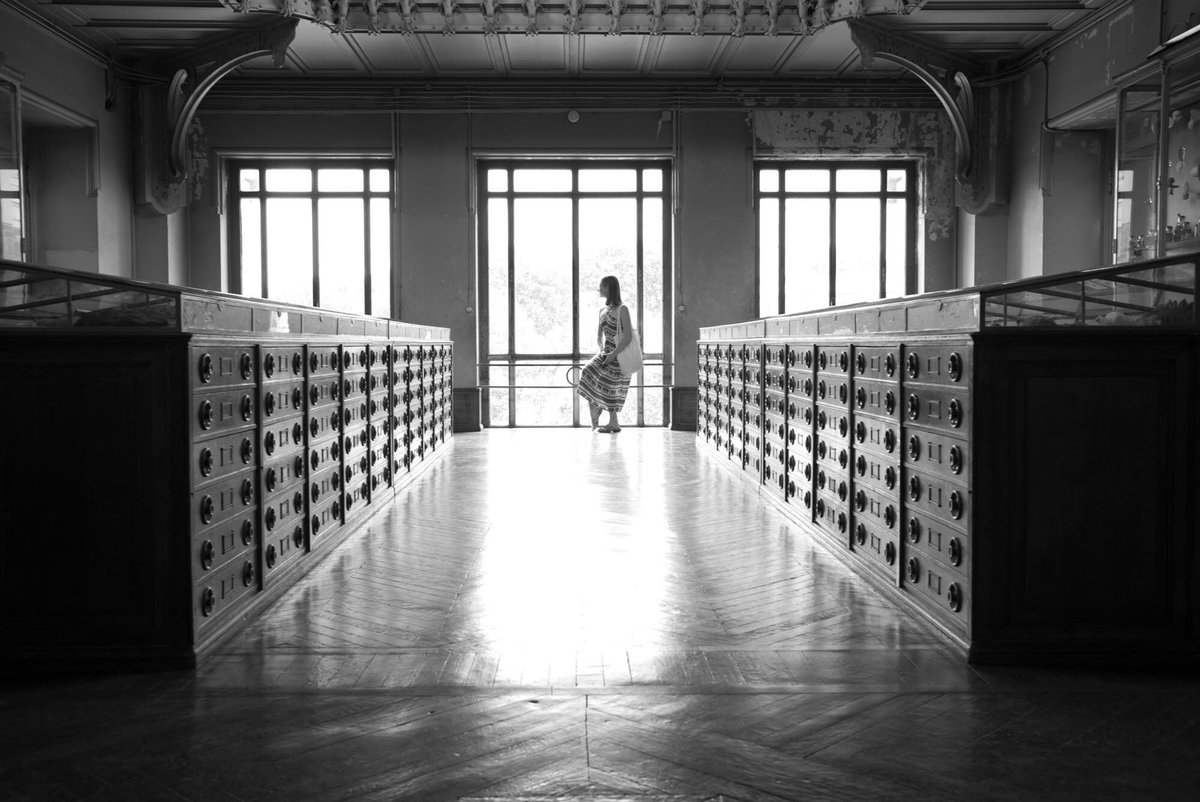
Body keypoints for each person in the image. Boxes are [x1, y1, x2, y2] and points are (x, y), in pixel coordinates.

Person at [576, 275, 632, 433]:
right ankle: (598, 408)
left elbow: (628, 336)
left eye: (601, 286)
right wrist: (601, 351)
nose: (598, 289)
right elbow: (599, 336)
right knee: (588, 371)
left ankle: (613, 422)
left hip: (619, 355)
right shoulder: (602, 310)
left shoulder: (623, 309)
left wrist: (613, 354)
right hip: (605, 354)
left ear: (608, 287)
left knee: (611, 387)